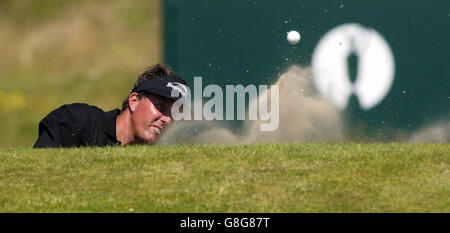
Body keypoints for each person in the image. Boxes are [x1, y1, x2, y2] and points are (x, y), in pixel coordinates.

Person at [33, 64, 188, 148]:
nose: (167, 119)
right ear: (134, 101)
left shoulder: (158, 163)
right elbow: (40, 171)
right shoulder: (77, 120)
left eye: (174, 113)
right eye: (160, 106)